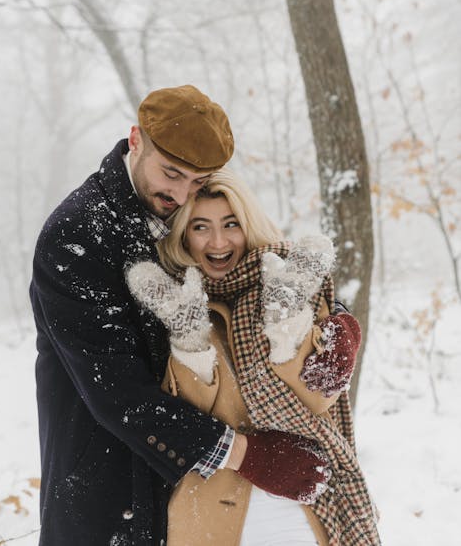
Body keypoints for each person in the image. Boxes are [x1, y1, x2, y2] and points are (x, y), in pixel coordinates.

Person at [29, 85, 330, 546]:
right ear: (135, 140)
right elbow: (117, 392)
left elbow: (257, 265)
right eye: (171, 173)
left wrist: (340, 324)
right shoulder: (78, 234)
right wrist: (246, 454)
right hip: (108, 495)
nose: (181, 192)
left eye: (197, 180)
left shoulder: (186, 209)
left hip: (192, 499)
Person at [127, 169, 381, 546]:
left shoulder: (293, 281)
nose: (218, 241)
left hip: (302, 503)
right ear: (183, 234)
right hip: (212, 509)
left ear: (249, 224)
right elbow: (185, 414)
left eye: (231, 223)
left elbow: (319, 396)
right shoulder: (172, 298)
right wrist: (189, 338)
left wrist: (288, 325)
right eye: (200, 226)